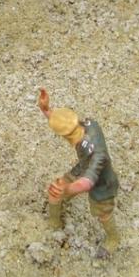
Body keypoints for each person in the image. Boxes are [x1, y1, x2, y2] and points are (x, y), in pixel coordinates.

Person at [37, 87, 120, 259]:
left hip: (102, 183)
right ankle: (54, 223)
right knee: (57, 190)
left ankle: (113, 239)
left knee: (103, 213)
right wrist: (46, 110)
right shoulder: (87, 125)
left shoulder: (98, 155)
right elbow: (65, 124)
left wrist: (67, 189)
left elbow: (86, 183)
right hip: (83, 167)